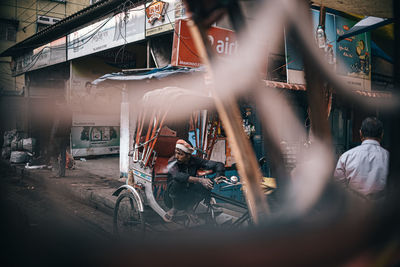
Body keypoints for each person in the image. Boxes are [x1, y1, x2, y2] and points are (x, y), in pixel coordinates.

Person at [163, 139, 226, 222]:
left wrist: (219, 175)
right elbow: (178, 176)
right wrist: (200, 180)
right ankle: (174, 209)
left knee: (208, 183)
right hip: (171, 198)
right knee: (178, 182)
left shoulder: (194, 160)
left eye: (180, 154)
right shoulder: (172, 161)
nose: (177, 156)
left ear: (188, 156)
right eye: (176, 153)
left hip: (188, 196)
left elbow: (218, 164)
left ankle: (189, 208)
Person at [334, 117, 389, 200]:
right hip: (384, 210)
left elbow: (337, 187)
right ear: (382, 134)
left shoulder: (346, 157)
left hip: (353, 209)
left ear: (360, 133)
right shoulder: (390, 158)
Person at [49, 99, 72, 177]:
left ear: (61, 103)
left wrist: (52, 136)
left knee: (54, 155)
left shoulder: (58, 112)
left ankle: (56, 173)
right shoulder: (69, 112)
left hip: (58, 136)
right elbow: (70, 125)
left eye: (57, 104)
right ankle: (62, 173)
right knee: (63, 154)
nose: (56, 105)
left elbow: (56, 125)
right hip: (65, 136)